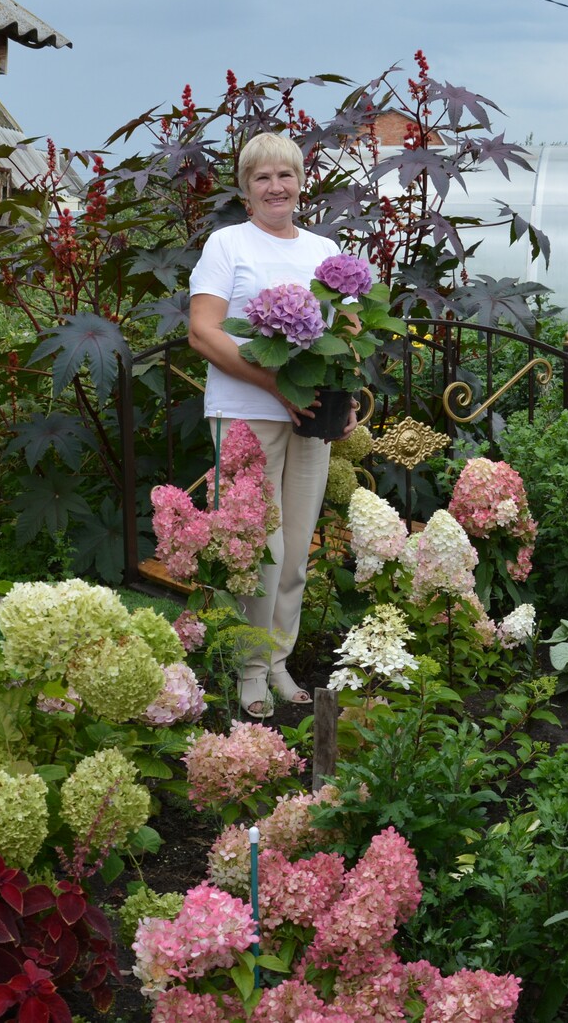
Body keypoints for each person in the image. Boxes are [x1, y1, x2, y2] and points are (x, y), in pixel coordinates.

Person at [187, 133, 357, 718]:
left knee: (295, 551)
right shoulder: (227, 244)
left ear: (301, 182)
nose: (275, 187)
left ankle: (279, 661)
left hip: (310, 416)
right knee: (255, 546)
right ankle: (249, 667)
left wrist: (348, 393)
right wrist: (273, 383)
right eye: (262, 178)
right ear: (245, 188)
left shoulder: (322, 249)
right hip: (245, 414)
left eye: (285, 175)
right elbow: (203, 331)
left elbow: (344, 336)